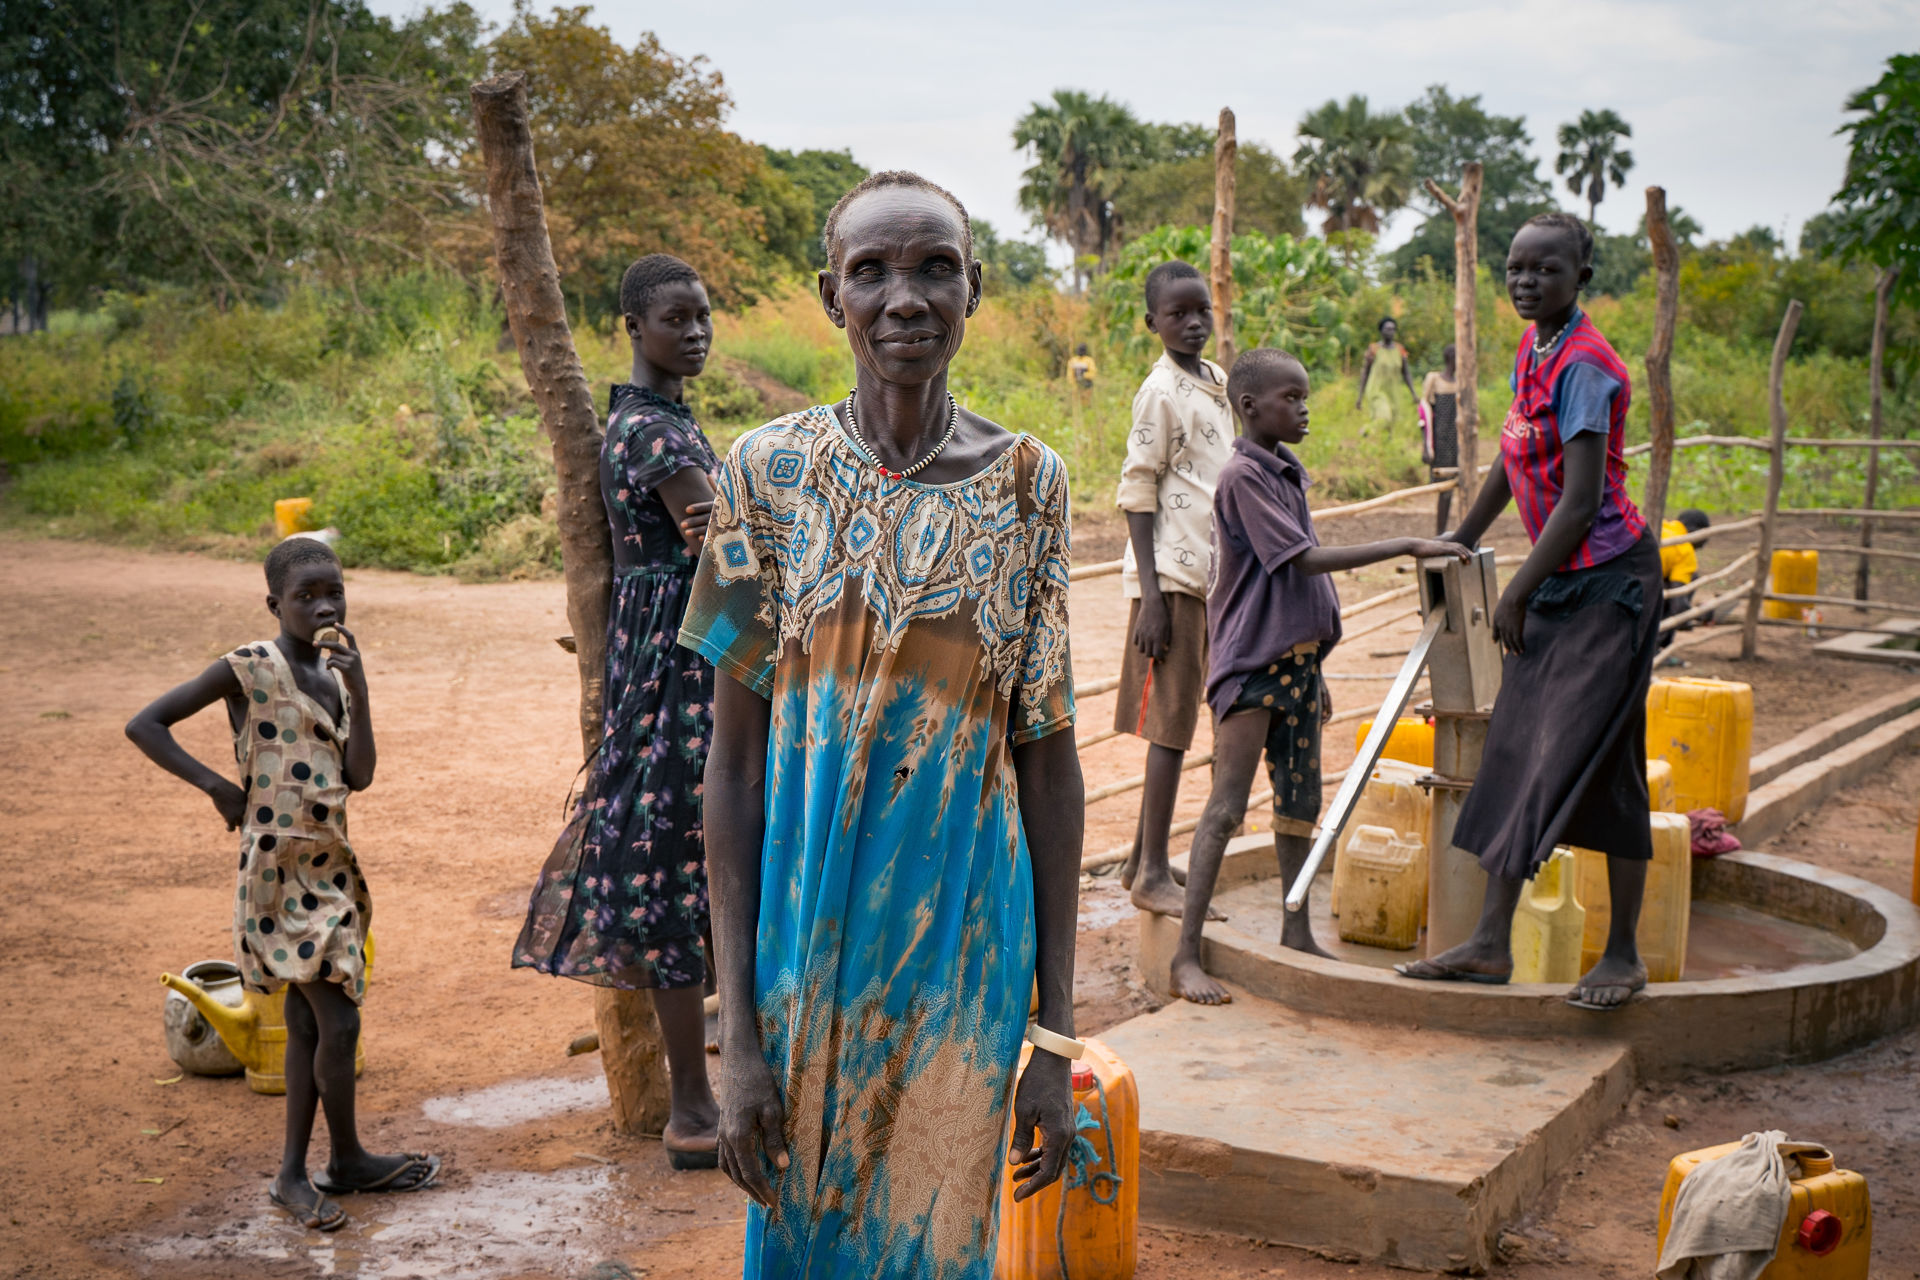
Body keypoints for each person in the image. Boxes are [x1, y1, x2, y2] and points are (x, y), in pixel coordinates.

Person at [683, 171, 1083, 1279]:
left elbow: (1048, 758)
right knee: (801, 1242)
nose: (905, 297)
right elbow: (736, 763)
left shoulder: (1029, 485)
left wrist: (1052, 1034)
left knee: (937, 1242)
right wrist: (740, 1031)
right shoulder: (760, 475)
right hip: (804, 951)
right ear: (831, 297)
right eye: (873, 271)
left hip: (966, 954)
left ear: (974, 288)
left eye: (934, 267)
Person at [126, 537, 439, 1232]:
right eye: (306, 597)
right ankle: (343, 1157)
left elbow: (359, 775)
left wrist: (359, 687)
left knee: (305, 1022)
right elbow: (145, 723)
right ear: (275, 605)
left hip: (330, 863)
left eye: (334, 593)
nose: (325, 606)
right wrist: (215, 786)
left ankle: (300, 1172)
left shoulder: (335, 676)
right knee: (339, 1018)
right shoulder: (248, 669)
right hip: (276, 869)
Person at [1395, 212, 1662, 1012]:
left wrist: (1512, 590)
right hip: (1560, 582)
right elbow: (1516, 462)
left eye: (1544, 270)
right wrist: (1458, 541)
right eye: (1515, 268)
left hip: (1610, 584)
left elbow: (1579, 503)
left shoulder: (1585, 365)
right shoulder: (1534, 348)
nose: (1524, 281)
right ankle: (1488, 944)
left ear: (1581, 275)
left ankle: (1622, 954)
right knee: (1515, 748)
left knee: (1602, 760)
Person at [1163, 349, 1468, 1004]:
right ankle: (1185, 954)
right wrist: (1410, 544)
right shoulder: (1244, 477)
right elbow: (1300, 563)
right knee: (1225, 808)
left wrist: (1319, 666)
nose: (1303, 409)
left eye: (1304, 398)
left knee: (1299, 804)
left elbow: (1302, 587)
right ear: (1249, 407)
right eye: (1291, 398)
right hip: (1253, 669)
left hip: (1299, 666)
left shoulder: (1285, 471)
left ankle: (1294, 926)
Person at [513, 253, 721, 1167]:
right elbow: (717, 539)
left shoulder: (657, 420)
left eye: (705, 317)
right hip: (682, 665)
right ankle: (690, 1110)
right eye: (677, 319)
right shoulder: (656, 437)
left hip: (673, 654)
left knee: (688, 861)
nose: (697, 332)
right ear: (633, 328)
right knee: (674, 868)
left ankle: (703, 1095)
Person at [1114, 260, 1235, 918]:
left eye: (1201, 311)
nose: (1192, 323)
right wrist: (1153, 598)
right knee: (1170, 730)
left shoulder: (1214, 381)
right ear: (1152, 323)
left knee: (1183, 717)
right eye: (1177, 313)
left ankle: (1140, 858)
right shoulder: (1159, 391)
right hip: (1172, 582)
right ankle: (1154, 872)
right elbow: (1137, 490)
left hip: (1210, 579)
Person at [1420, 343, 1461, 533]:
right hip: (1441, 441)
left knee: (1457, 488)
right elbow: (1424, 413)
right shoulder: (1434, 379)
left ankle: (1450, 532)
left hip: (1457, 442)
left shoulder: (1461, 381)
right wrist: (1426, 446)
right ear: (1451, 358)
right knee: (1444, 490)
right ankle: (1440, 533)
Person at [1658, 508, 1711, 653]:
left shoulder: (1661, 525)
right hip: (1639, 585)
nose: (1704, 543)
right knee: (1691, 578)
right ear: (1697, 531)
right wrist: (1702, 614)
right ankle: (1655, 646)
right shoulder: (1684, 549)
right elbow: (1678, 605)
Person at [1355, 316, 1416, 432]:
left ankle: (1383, 447)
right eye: (1387, 329)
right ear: (1381, 331)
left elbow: (1406, 373)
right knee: (1384, 417)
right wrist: (1360, 396)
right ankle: (1364, 431)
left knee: (1391, 425)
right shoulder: (1374, 349)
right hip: (1376, 391)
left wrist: (1413, 393)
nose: (1391, 332)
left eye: (1393, 329)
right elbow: (1365, 372)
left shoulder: (1400, 350)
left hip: (1393, 393)